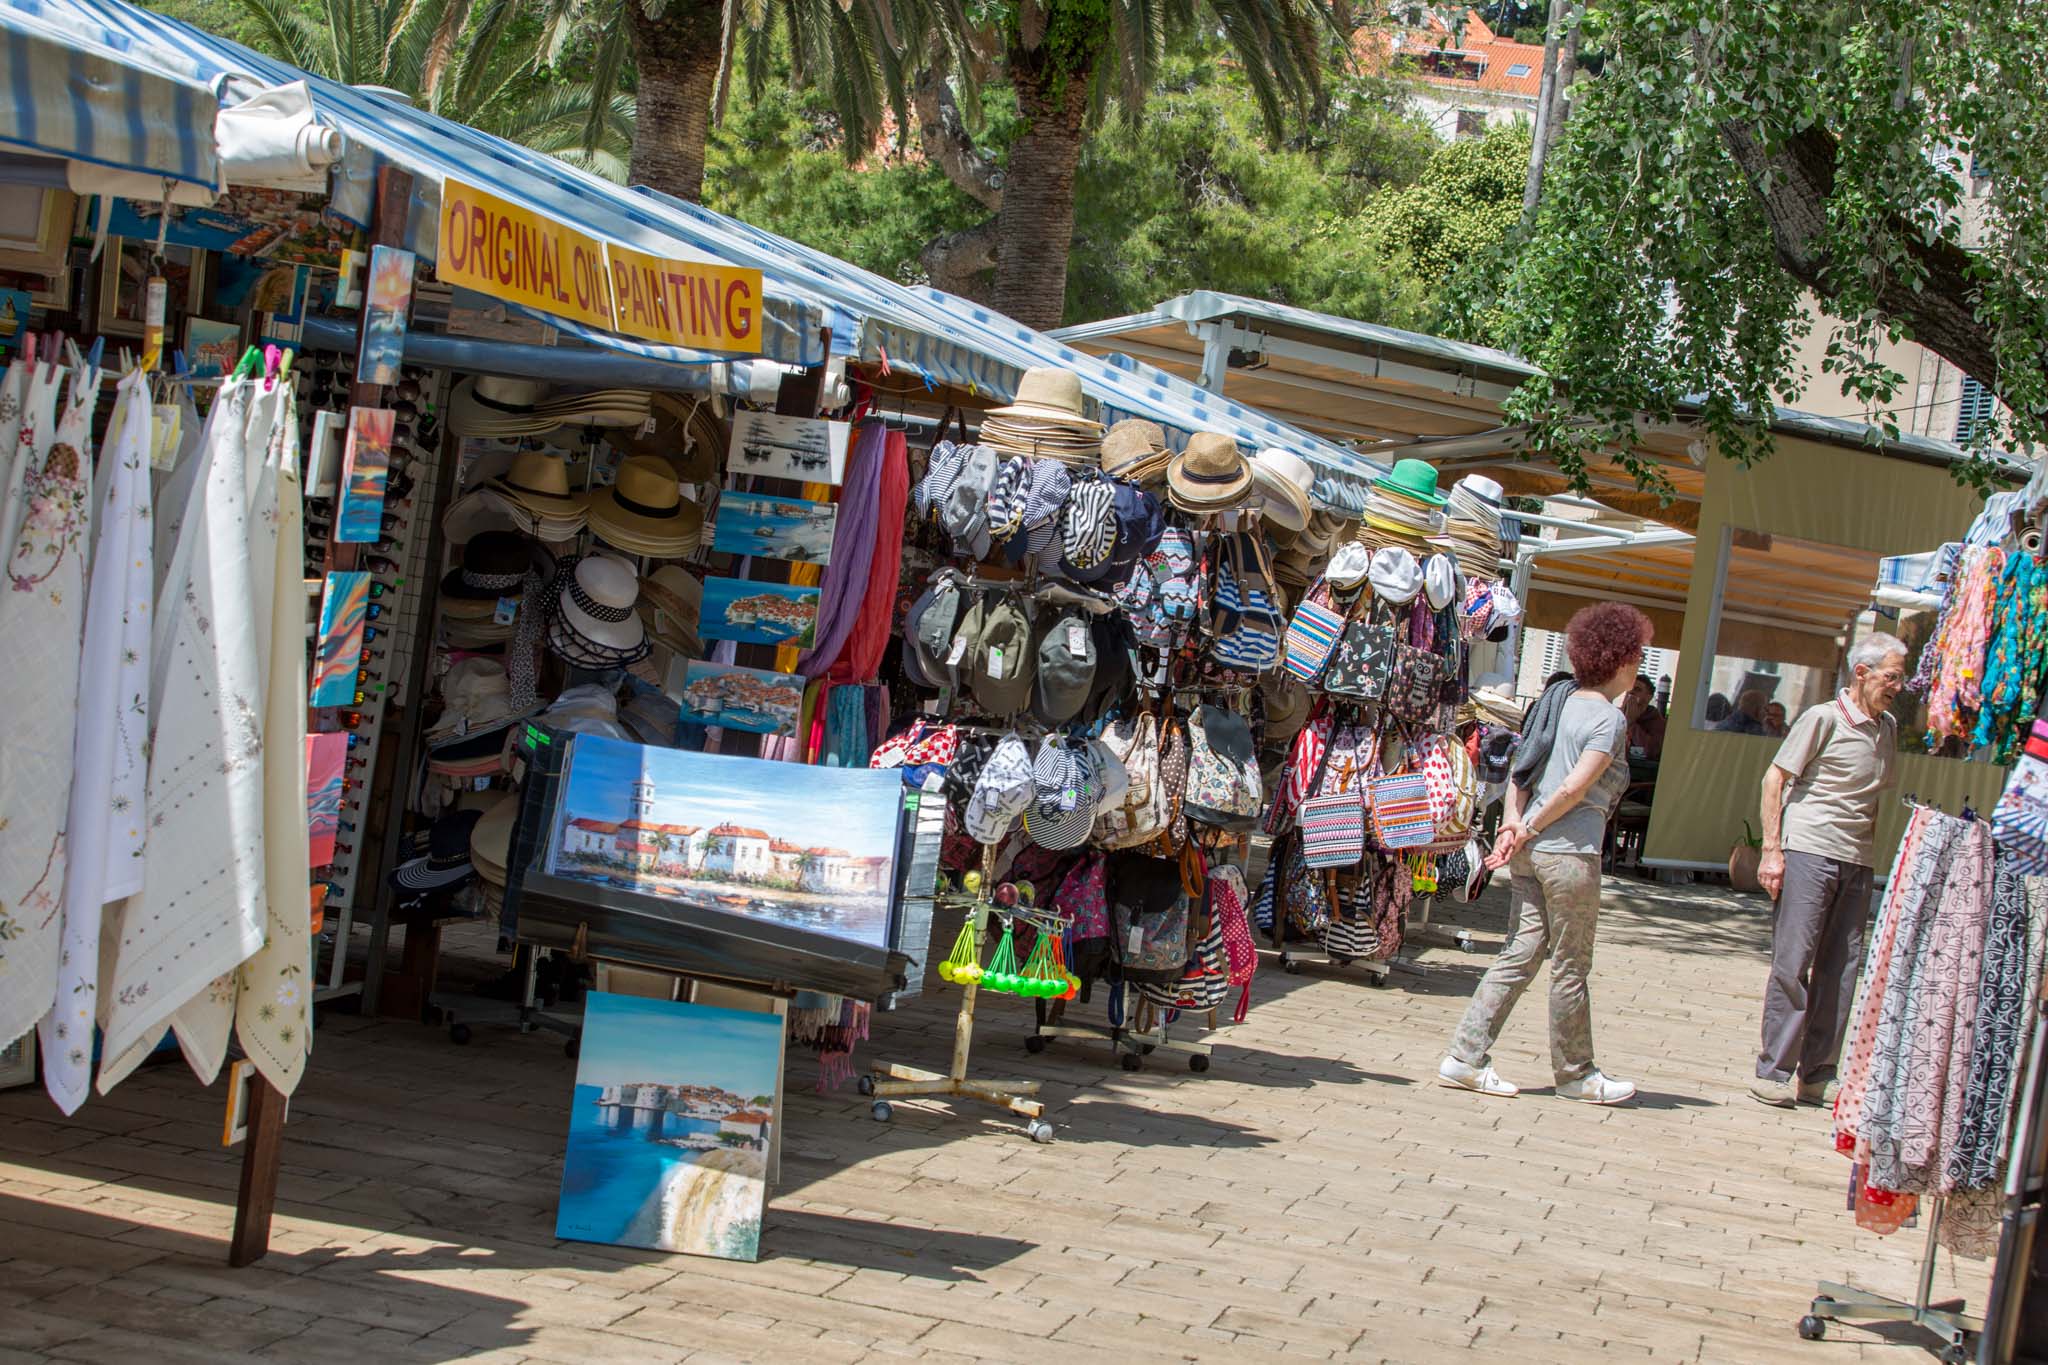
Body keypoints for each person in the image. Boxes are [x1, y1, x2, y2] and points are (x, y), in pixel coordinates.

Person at [1439, 601, 1653, 1106]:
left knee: (1521, 952)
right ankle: (1576, 1074)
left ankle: (1465, 1056)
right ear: (1619, 660)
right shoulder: (1608, 719)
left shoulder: (1555, 702)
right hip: (1570, 854)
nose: (1639, 667)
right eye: (1637, 656)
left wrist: (1515, 826)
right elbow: (1575, 790)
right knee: (1571, 964)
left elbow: (1523, 772)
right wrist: (1525, 826)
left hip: (1531, 853)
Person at [1749, 634, 1905, 1108]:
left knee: (1841, 970)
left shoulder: (1888, 727)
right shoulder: (1823, 718)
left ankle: (1818, 1075)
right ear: (1862, 672)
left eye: (1901, 677)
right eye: (1892, 676)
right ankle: (1774, 1070)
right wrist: (1772, 851)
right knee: (1793, 963)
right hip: (1811, 852)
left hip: (1857, 860)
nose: (1899, 685)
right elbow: (1774, 778)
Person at [1620, 676, 1665, 760]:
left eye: (1637, 689)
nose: (1631, 692)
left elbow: (1651, 751)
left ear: (1649, 697)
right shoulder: (1615, 715)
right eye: (1629, 689)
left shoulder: (1654, 719)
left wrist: (1631, 723)